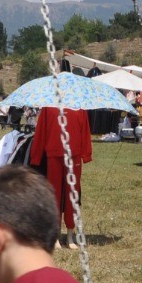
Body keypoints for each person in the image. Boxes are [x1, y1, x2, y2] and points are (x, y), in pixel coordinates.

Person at [28, 105, 93, 249]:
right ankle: (55, 234)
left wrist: (86, 154)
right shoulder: (48, 106)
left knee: (72, 195)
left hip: (74, 155)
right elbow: (41, 131)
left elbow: (85, 131)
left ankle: (70, 233)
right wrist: (36, 156)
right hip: (54, 154)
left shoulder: (79, 107)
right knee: (54, 194)